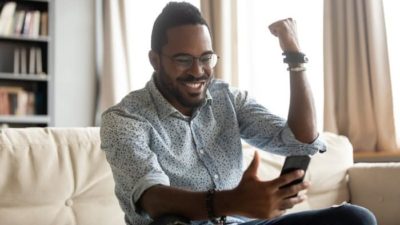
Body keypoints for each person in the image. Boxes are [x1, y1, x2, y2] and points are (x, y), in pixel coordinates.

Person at [100, 2, 377, 225]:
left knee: (356, 218)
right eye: (183, 60)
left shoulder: (228, 99)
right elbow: (153, 199)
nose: (198, 71)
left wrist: (295, 57)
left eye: (206, 58)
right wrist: (234, 201)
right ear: (155, 60)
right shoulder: (125, 119)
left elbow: (301, 140)